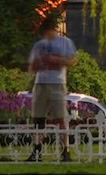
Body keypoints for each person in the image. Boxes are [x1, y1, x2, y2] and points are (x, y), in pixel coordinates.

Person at [26, 13, 76, 161]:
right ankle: (37, 151)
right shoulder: (39, 45)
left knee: (61, 119)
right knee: (38, 119)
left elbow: (72, 61)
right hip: (40, 84)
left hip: (57, 84)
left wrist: (56, 60)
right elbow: (31, 67)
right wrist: (39, 63)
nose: (46, 35)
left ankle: (65, 152)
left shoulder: (64, 43)